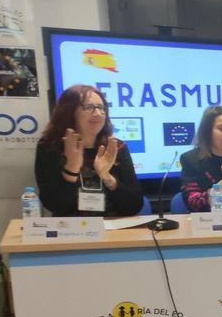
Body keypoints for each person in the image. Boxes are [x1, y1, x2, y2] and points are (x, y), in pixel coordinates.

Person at [34, 84, 143, 217]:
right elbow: (55, 205)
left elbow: (134, 206)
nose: (98, 113)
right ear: (69, 112)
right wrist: (71, 170)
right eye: (89, 107)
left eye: (101, 108)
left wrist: (107, 177)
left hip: (113, 230)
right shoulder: (50, 147)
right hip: (71, 232)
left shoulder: (116, 147)